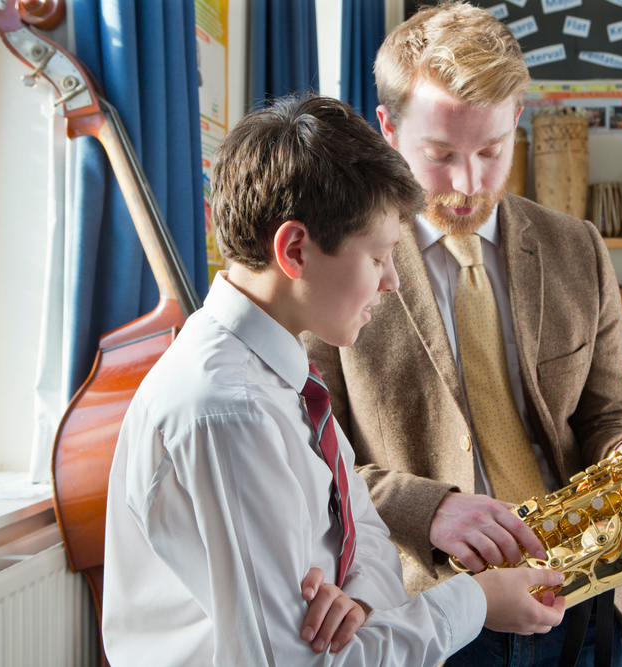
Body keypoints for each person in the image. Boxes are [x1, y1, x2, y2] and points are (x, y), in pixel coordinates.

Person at [100, 95, 568, 667]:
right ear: (295, 249)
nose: (392, 281)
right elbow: (297, 663)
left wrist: (358, 600)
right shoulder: (229, 410)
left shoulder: (282, 372)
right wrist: (474, 602)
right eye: (377, 257)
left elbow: (364, 531)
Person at [303, 4, 622, 665]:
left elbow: (604, 419)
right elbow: (310, 457)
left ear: (517, 119)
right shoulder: (336, 260)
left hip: (579, 597)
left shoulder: (578, 247)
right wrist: (428, 508)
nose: (468, 184)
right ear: (388, 130)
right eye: (440, 155)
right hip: (423, 610)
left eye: (491, 151)